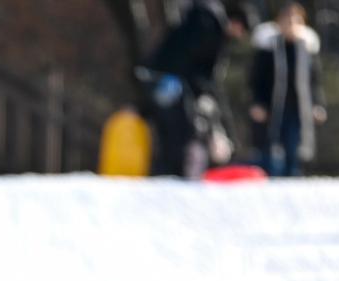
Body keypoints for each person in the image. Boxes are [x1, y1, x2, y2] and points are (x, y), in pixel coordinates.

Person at [140, 0, 257, 179]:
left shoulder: (206, 21)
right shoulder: (209, 25)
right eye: (241, 30)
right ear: (236, 22)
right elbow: (187, 58)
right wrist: (196, 88)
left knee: (171, 133)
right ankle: (171, 177)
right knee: (179, 133)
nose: (238, 36)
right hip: (171, 81)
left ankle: (167, 175)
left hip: (164, 78)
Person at [250, 3, 327, 177]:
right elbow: (257, 79)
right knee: (271, 154)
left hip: (298, 110)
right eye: (287, 19)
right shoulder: (268, 49)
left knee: (295, 152)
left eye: (296, 20)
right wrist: (258, 102)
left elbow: (314, 82)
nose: (291, 24)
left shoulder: (306, 50)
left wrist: (318, 104)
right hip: (273, 110)